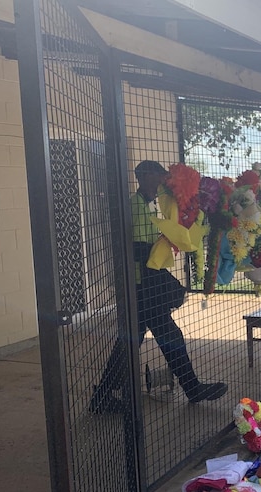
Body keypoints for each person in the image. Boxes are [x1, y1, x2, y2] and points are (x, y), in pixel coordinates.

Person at [91, 160, 228, 411]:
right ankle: (191, 388)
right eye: (158, 174)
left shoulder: (154, 204)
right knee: (153, 338)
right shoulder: (134, 206)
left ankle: (103, 396)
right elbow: (137, 250)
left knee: (138, 340)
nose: (164, 178)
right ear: (145, 176)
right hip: (140, 283)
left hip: (147, 281)